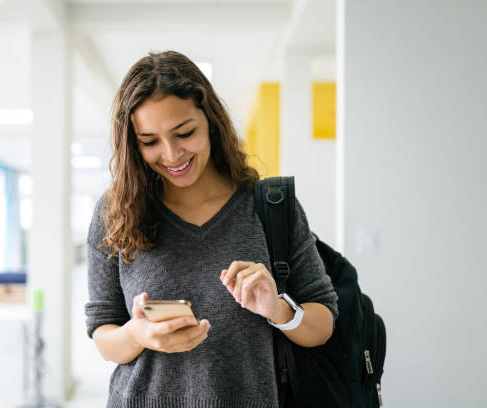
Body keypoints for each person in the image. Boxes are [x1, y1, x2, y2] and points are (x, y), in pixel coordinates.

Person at [85, 50, 338, 408]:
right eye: (150, 141)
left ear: (211, 122)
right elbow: (103, 332)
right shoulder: (115, 212)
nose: (171, 154)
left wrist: (278, 309)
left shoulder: (269, 207)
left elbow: (323, 324)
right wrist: (138, 334)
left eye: (184, 132)